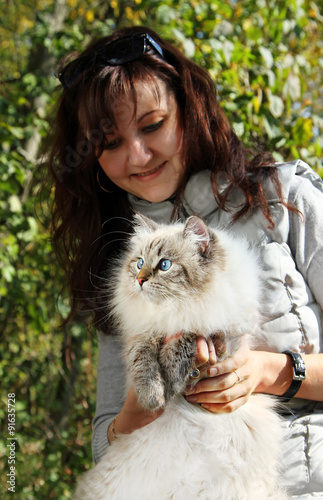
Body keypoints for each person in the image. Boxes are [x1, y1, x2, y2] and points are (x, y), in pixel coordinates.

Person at [48, 26, 323, 498]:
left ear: (189, 109)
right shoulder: (124, 267)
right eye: (109, 143)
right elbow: (105, 440)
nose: (137, 155)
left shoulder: (285, 199)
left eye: (153, 125)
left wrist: (268, 372)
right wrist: (137, 412)